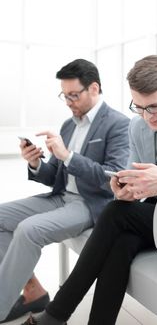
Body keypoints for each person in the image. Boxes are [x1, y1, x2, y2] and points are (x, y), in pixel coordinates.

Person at [24, 55, 157, 325]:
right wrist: (124, 187)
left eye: (153, 108)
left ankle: (55, 314)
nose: (146, 116)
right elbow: (131, 171)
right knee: (120, 240)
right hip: (156, 214)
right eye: (138, 107)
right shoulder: (137, 125)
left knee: (116, 214)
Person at [0, 59, 130, 323]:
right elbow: (55, 177)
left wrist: (68, 156)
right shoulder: (69, 125)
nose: (69, 101)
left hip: (89, 204)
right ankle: (30, 292)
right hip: (60, 198)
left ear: (94, 89)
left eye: (74, 95)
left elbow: (113, 178)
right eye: (65, 95)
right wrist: (36, 163)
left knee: (28, 230)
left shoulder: (118, 124)